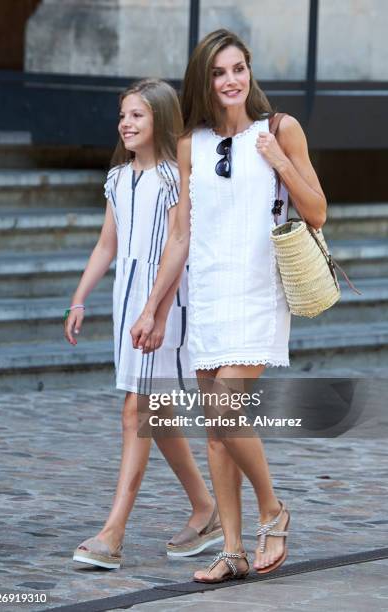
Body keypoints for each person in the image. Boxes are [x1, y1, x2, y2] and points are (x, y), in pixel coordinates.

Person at [131, 31, 327, 583]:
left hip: (259, 290)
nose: (231, 81)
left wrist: (279, 163)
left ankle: (273, 509)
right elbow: (179, 236)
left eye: (238, 68)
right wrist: (155, 309)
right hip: (210, 292)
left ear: (249, 72)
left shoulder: (280, 129)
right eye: (219, 73)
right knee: (216, 430)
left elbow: (317, 211)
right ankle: (234, 549)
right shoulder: (190, 144)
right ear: (205, 82)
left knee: (226, 408)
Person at [64, 79, 223, 569]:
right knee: (155, 413)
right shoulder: (116, 178)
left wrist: (155, 310)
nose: (126, 124)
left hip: (165, 302)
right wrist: (79, 298)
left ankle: (113, 534)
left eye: (137, 115)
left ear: (159, 118)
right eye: (122, 116)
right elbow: (107, 245)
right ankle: (206, 509)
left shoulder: (179, 177)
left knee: (137, 410)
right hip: (126, 300)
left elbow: (182, 248)